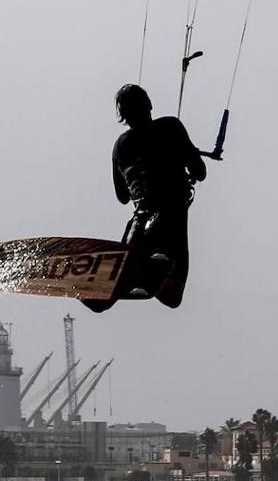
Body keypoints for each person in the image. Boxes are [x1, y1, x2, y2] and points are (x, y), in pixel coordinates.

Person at [82, 84, 207, 313]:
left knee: (107, 299)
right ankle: (151, 268)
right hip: (171, 221)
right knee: (173, 297)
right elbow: (200, 172)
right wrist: (189, 153)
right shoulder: (171, 127)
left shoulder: (120, 146)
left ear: (124, 117)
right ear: (149, 105)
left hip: (138, 226)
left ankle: (122, 276)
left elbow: (122, 196)